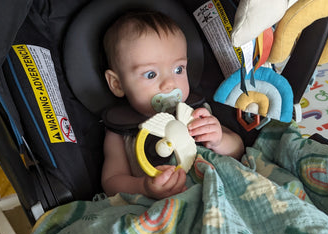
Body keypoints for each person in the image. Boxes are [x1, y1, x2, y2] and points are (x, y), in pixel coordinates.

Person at [101, 10, 244, 199]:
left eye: (178, 69)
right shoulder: (120, 132)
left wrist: (219, 140)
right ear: (117, 84)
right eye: (151, 74)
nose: (170, 84)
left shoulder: (195, 113)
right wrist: (143, 187)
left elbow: (238, 150)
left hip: (217, 190)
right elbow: (111, 181)